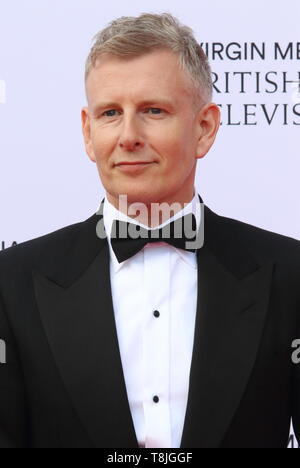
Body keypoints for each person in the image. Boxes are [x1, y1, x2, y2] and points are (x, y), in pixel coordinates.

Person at [0, 12, 299, 449]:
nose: (128, 136)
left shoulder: (289, 273)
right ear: (87, 132)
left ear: (205, 128)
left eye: (153, 110)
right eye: (109, 113)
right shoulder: (12, 282)